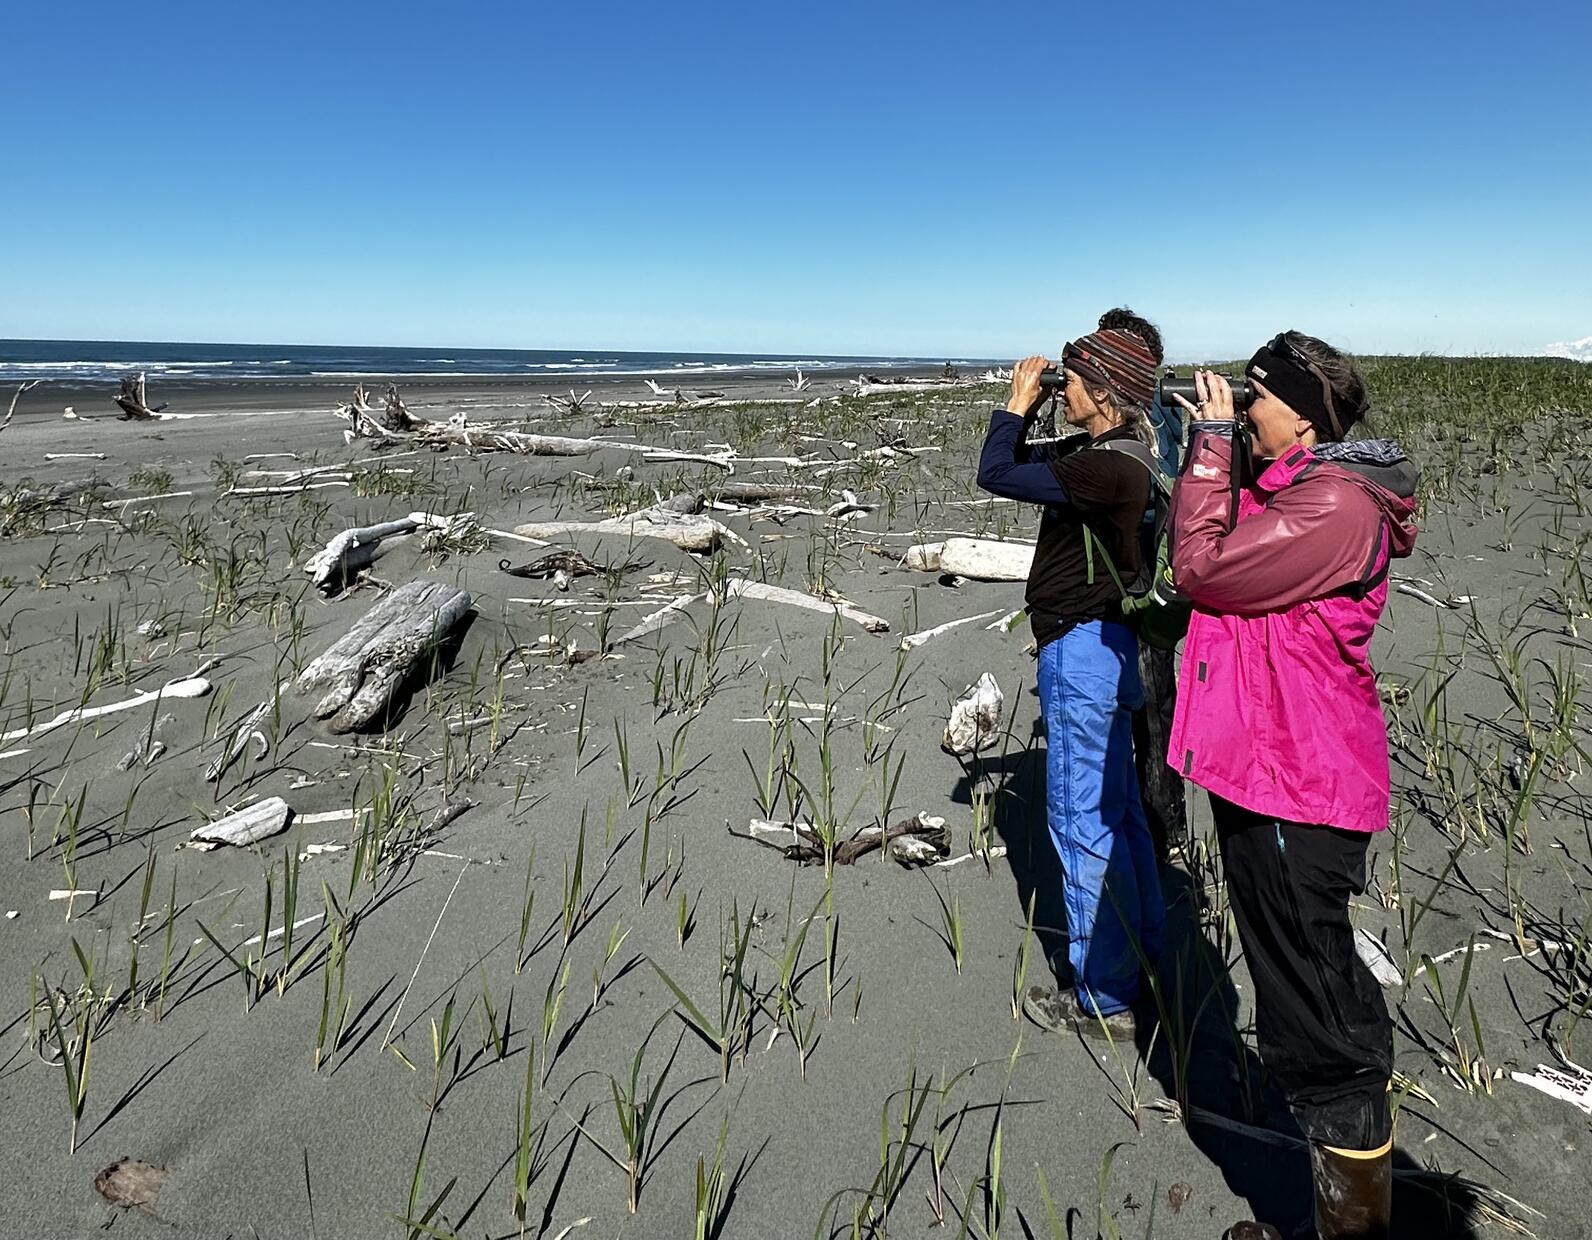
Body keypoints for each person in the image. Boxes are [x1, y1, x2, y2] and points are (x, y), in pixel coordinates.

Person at [1165, 333, 1418, 1240]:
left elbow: (1203, 570)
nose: (1243, 407)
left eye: (1255, 397)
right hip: (1271, 771)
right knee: (1299, 988)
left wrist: (1206, 449)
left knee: (1322, 1015)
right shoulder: (1300, 490)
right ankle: (1332, 1216)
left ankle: (1352, 1229)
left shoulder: (1337, 506)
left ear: (1303, 412)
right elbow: (1220, 537)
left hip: (1294, 785)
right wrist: (1206, 449)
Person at [976, 328, 1165, 1038]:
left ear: (1105, 391)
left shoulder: (1105, 469)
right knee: (1117, 815)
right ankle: (1144, 952)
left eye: (1075, 380)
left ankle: (1105, 993)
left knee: (1081, 820)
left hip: (1081, 654)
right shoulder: (1115, 454)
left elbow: (995, 472)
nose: (1068, 389)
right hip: (1107, 648)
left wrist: (1018, 402)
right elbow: (1026, 464)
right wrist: (1035, 414)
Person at [1094, 307, 1188, 862]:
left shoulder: (1151, 410)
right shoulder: (1159, 405)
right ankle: (1157, 824)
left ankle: (1161, 829)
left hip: (1146, 574)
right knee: (1148, 703)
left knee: (1149, 704)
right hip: (1135, 571)